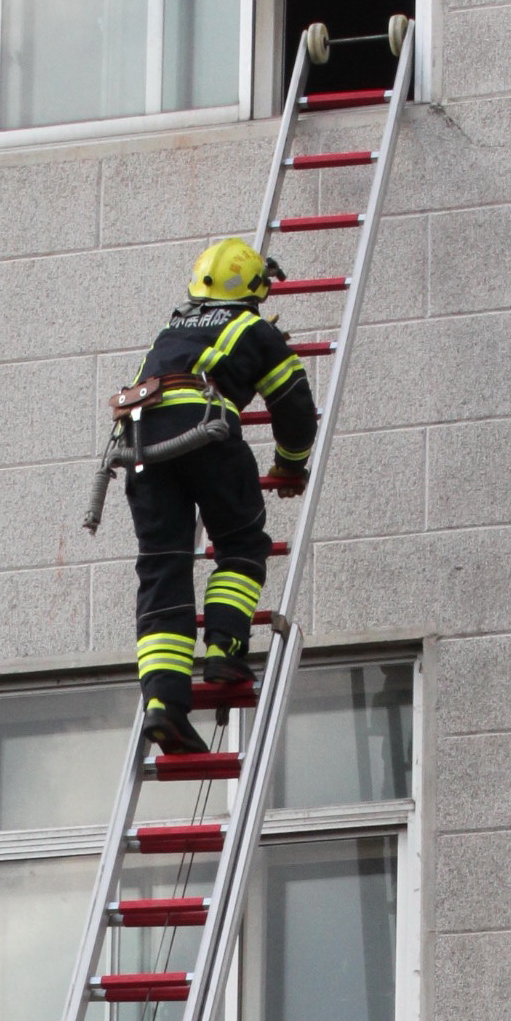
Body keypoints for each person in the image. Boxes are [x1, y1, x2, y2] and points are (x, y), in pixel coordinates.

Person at [121, 238, 319, 754]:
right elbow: (295, 406)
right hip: (204, 435)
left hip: (141, 445)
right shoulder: (253, 329)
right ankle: (225, 649)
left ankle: (163, 702)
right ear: (254, 288)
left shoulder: (170, 330)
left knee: (162, 568)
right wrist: (290, 465)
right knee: (241, 543)